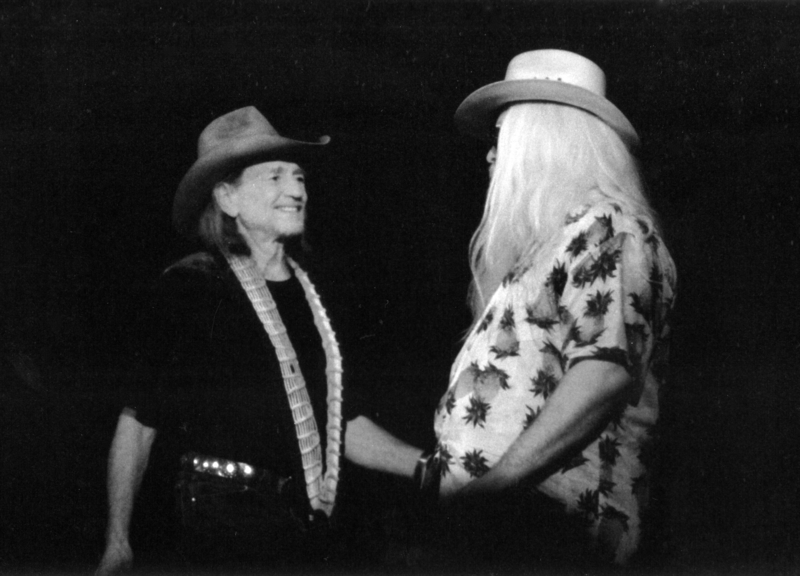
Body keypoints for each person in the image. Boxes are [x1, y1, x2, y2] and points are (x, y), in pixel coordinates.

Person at [96, 106, 424, 575]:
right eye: (274, 177)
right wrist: (118, 540)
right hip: (224, 531)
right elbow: (139, 423)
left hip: (307, 532)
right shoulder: (191, 287)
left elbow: (337, 424)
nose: (296, 190)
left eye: (299, 177)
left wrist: (430, 468)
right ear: (227, 198)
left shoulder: (316, 293)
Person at [427, 50, 677, 568]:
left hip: (554, 530)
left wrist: (496, 486)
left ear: (544, 138)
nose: (490, 156)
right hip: (510, 523)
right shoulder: (554, 245)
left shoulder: (611, 231)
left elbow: (604, 375)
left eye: (501, 138)